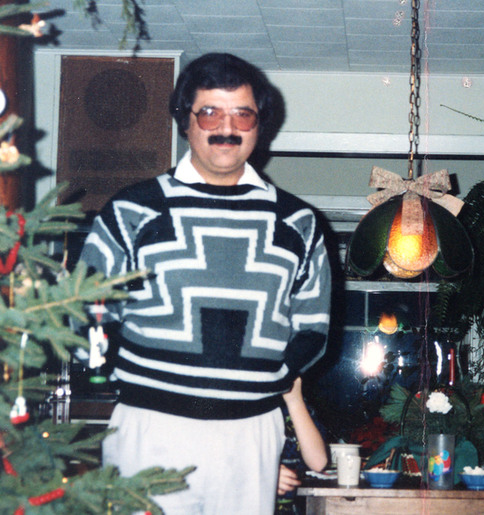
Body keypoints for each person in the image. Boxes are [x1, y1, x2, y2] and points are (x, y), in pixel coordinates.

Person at [79, 53, 332, 514]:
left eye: (243, 114)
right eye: (210, 113)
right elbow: (88, 310)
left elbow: (313, 329)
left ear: (260, 125)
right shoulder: (134, 210)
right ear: (185, 120)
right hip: (151, 430)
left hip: (251, 433)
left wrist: (269, 382)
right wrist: (125, 381)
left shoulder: (298, 222)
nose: (227, 128)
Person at [276, 377, 328, 514]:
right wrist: (264, 474)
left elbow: (318, 462)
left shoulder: (291, 405)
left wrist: (295, 400)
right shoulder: (240, 404)